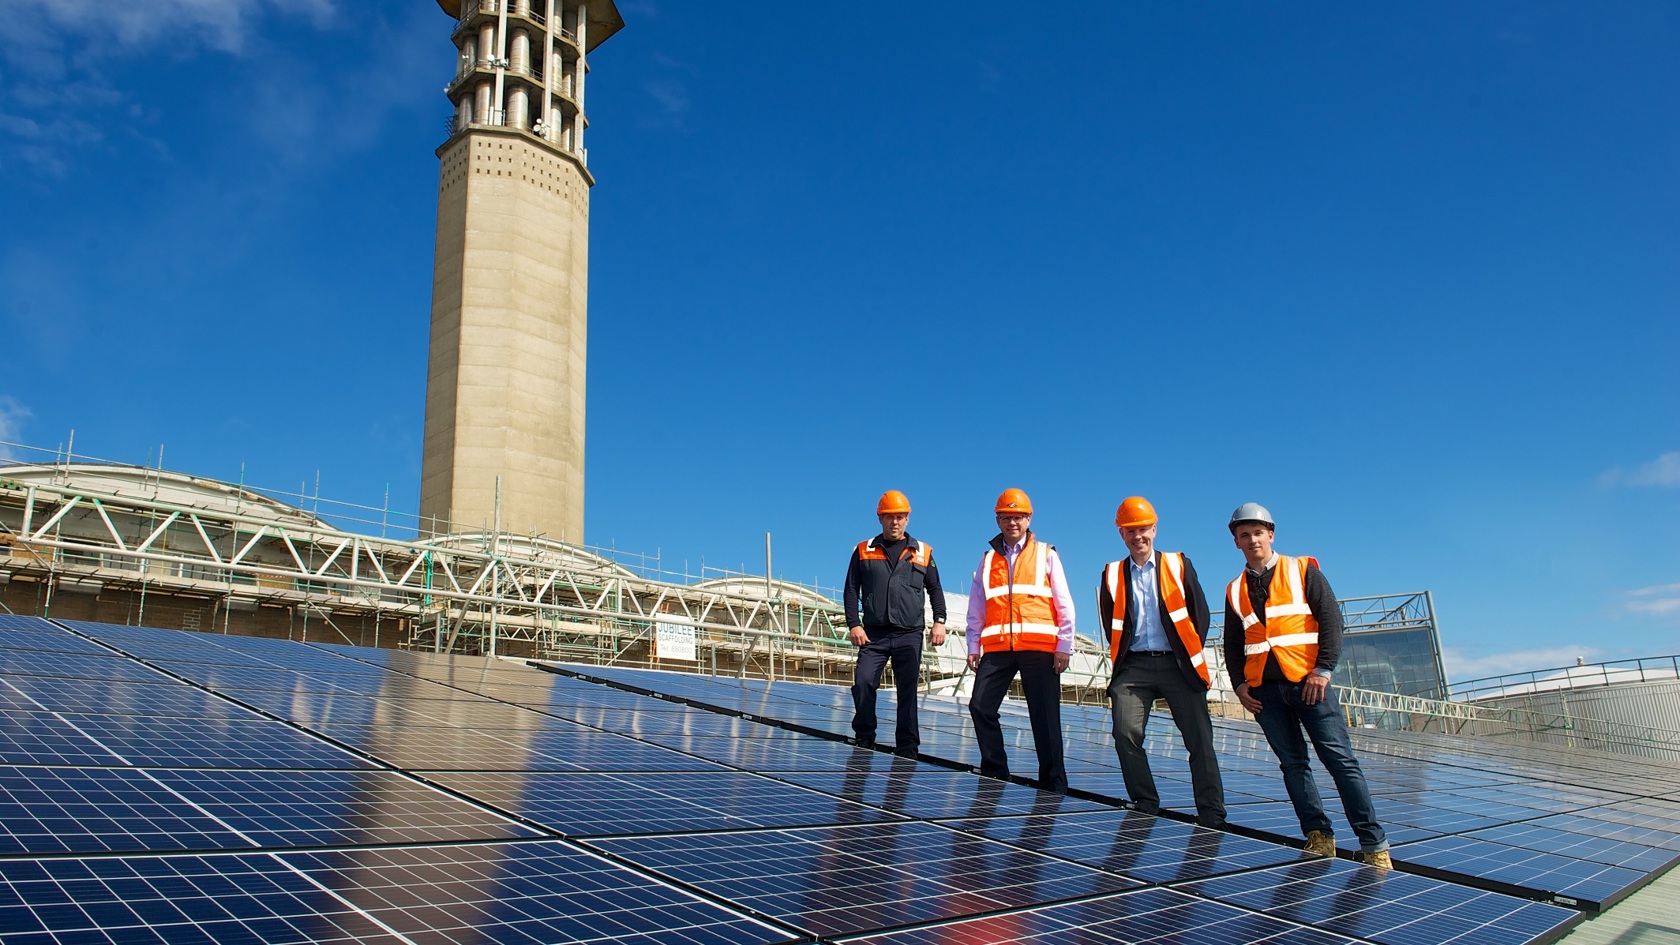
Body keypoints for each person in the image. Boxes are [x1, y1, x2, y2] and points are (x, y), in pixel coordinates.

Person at [1223, 502, 1391, 869]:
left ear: (1271, 534)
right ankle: (1318, 837)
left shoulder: (1302, 570)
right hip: (1265, 692)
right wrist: (1238, 685)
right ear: (1236, 542)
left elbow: (1332, 621)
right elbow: (1233, 643)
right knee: (1292, 765)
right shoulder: (1235, 589)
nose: (1252, 540)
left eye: (1258, 532)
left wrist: (1323, 671)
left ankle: (1374, 845)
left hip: (1308, 684)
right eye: (1244, 535)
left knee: (1340, 762)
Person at [1098, 496, 1226, 827]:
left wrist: (1186, 653)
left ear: (1154, 529)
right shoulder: (1112, 574)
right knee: (1125, 733)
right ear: (1121, 534)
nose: (1137, 536)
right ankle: (1145, 801)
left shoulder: (1178, 564)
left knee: (1199, 739)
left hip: (1177, 664)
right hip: (1133, 667)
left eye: (1142, 529)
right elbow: (1110, 622)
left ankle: (1211, 813)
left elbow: (1200, 614)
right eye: (1130, 531)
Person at [965, 488, 1075, 793]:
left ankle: (1053, 784)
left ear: (1028, 519)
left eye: (1018, 517)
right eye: (1006, 517)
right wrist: (974, 646)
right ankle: (995, 771)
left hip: (1039, 649)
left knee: (1045, 718)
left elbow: (1064, 602)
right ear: (998, 520)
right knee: (980, 706)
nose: (1012, 522)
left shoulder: (1045, 554)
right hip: (998, 648)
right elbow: (977, 607)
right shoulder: (987, 560)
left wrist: (1064, 645)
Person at [844, 490, 947, 755]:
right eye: (889, 517)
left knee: (907, 689)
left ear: (908, 519)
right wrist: (854, 624)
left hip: (909, 634)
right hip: (873, 635)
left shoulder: (923, 552)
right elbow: (851, 589)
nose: (895, 522)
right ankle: (865, 736)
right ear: (880, 518)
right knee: (864, 682)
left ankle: (908, 745)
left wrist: (940, 621)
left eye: (900, 517)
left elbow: (935, 589)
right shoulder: (864, 550)